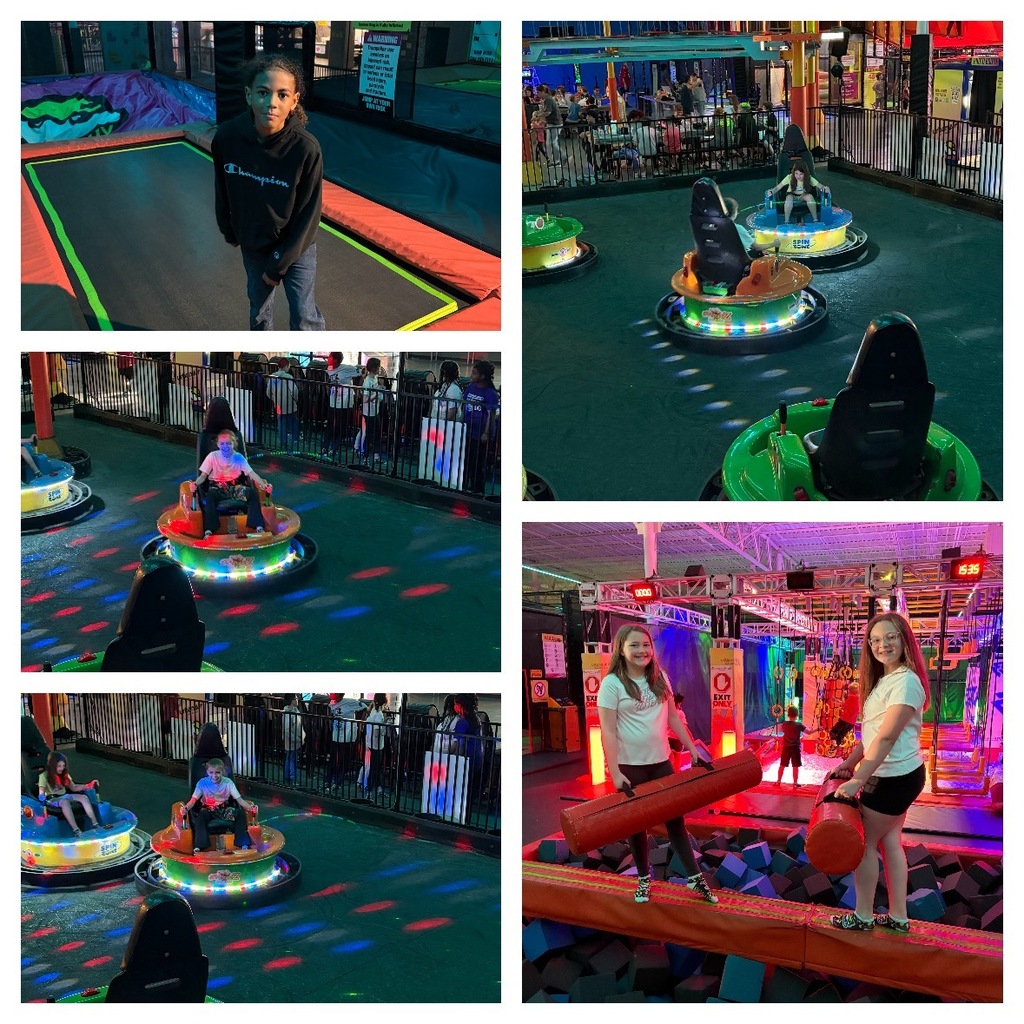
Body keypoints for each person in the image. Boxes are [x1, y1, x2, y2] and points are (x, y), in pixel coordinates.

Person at [597, 624, 719, 905]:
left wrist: (693, 749)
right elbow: (608, 730)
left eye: (646, 645)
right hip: (631, 767)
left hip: (662, 762)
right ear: (621, 650)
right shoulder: (612, 684)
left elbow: (674, 718)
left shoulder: (659, 677)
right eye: (634, 646)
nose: (642, 651)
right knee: (636, 825)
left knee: (675, 821)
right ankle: (643, 878)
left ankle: (694, 878)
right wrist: (614, 770)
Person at [828, 613, 930, 933]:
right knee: (890, 842)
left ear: (904, 640)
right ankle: (899, 918)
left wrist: (859, 778)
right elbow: (871, 734)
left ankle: (863, 916)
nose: (881, 645)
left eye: (890, 637)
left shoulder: (906, 681)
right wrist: (851, 762)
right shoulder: (885, 680)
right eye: (874, 640)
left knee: (864, 845)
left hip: (893, 777)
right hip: (897, 774)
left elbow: (887, 738)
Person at [212, 54, 326, 331]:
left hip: (296, 247)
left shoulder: (305, 149)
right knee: (259, 312)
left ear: (294, 101)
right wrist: (228, 228)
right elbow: (222, 187)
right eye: (263, 93)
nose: (271, 102)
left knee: (303, 314)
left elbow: (309, 216)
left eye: (282, 95)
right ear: (249, 95)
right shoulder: (227, 137)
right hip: (254, 243)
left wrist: (278, 265)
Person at [189, 428, 270, 539]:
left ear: (234, 444)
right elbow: (203, 476)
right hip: (218, 487)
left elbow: (251, 473)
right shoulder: (213, 456)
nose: (225, 447)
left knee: (251, 493)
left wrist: (264, 485)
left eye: (228, 444)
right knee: (210, 496)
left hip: (235, 487)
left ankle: (258, 526)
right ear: (218, 444)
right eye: (222, 444)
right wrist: (195, 484)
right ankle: (209, 530)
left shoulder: (238, 457)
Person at [182, 758, 256, 854]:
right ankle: (199, 846)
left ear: (222, 772)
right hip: (208, 809)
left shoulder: (228, 782)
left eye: (217, 772)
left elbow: (240, 800)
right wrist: (186, 808)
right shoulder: (202, 783)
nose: (214, 776)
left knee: (240, 814)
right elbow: (193, 800)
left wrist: (250, 808)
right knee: (201, 816)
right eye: (211, 772)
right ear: (207, 772)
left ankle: (243, 843)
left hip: (224, 809)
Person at [37, 752, 109, 836]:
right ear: (53, 765)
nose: (62, 768)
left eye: (63, 766)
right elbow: (41, 792)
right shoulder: (44, 776)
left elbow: (74, 787)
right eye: (59, 766)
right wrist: (42, 798)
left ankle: (95, 824)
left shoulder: (64, 775)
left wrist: (88, 785)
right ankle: (76, 830)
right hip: (51, 799)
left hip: (64, 796)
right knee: (65, 802)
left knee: (84, 797)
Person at [462, 359, 499, 495]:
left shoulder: (490, 394)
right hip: (468, 430)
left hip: (480, 434)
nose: (471, 376)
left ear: (483, 376)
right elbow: (464, 405)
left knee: (477, 463)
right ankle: (464, 486)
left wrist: (485, 433)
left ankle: (477, 490)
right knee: (466, 459)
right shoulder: (471, 387)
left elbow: (491, 414)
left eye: (474, 373)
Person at [357, 357, 388, 465]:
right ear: (374, 368)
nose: (379, 369)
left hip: (375, 411)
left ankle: (374, 456)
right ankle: (365, 455)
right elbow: (365, 399)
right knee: (370, 434)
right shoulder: (368, 382)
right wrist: (376, 393)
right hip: (369, 412)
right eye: (378, 367)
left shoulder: (374, 378)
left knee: (376, 434)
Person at [265, 356, 300, 450]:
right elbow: (294, 391)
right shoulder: (289, 377)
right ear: (287, 366)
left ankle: (283, 442)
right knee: (293, 421)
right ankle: (295, 438)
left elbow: (268, 392)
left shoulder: (272, 377)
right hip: (290, 405)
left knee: (281, 423)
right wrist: (295, 400)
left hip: (278, 405)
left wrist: (275, 399)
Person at [364, 694, 389, 795]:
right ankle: (370, 789)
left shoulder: (372, 710)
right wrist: (385, 723)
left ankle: (377, 787)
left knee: (375, 766)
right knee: (375, 767)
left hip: (370, 742)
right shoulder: (379, 714)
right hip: (377, 744)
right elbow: (378, 731)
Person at [776, 706, 806, 787]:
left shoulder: (784, 724)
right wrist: (817, 729)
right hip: (795, 748)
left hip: (786, 747)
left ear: (788, 714)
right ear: (797, 715)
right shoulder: (799, 725)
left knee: (782, 765)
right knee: (795, 766)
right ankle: (795, 783)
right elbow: (809, 733)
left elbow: (781, 732)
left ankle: (778, 781)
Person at [829, 682, 860, 747]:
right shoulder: (859, 699)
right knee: (841, 735)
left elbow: (844, 705)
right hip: (851, 723)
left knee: (833, 732)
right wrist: (836, 701)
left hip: (844, 720)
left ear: (850, 690)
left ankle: (834, 743)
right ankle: (835, 746)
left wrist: (843, 695)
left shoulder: (852, 697)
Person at [282, 696, 304, 783]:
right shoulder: (289, 713)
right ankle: (292, 778)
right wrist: (297, 738)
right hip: (292, 740)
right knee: (292, 759)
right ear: (291, 701)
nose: (297, 700)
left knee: (290, 758)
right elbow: (287, 730)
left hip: (294, 739)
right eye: (295, 698)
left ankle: (289, 777)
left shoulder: (294, 710)